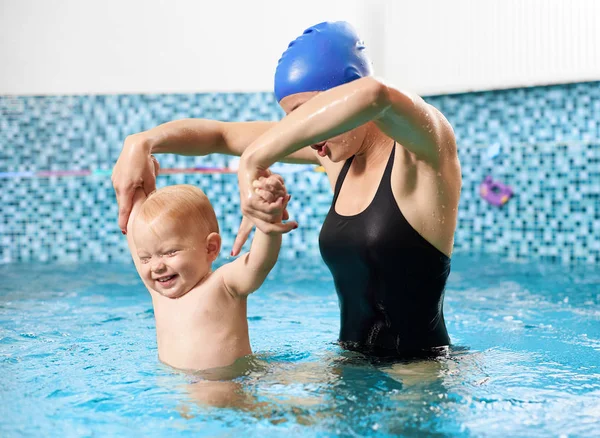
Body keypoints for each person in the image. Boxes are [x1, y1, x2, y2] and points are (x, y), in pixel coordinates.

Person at [112, 21, 461, 359]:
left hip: (418, 370)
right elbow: (222, 135)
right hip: (349, 363)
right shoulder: (336, 158)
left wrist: (253, 160)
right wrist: (142, 142)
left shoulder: (424, 150)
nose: (304, 133)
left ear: (344, 91)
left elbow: (376, 94)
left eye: (304, 116)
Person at [124, 175, 292, 371]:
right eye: (146, 258)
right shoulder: (159, 293)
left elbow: (259, 262)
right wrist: (137, 177)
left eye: (170, 252)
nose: (156, 266)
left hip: (225, 391)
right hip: (176, 396)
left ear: (211, 248)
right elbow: (132, 223)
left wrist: (268, 223)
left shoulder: (223, 284)